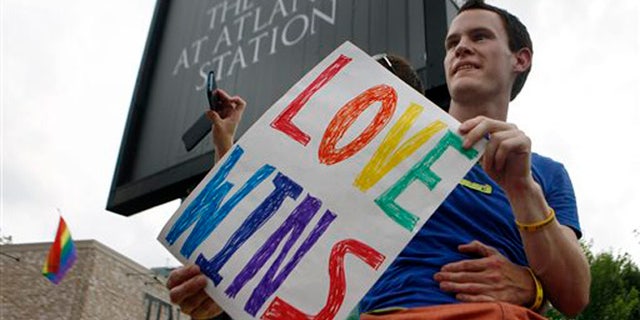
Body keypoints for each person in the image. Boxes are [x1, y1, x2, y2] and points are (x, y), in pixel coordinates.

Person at [166, 1, 590, 318]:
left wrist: (522, 194)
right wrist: (220, 292)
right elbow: (287, 219)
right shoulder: (380, 142)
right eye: (452, 43)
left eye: (479, 37)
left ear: (521, 58)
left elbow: (574, 296)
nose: (461, 48)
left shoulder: (544, 173)